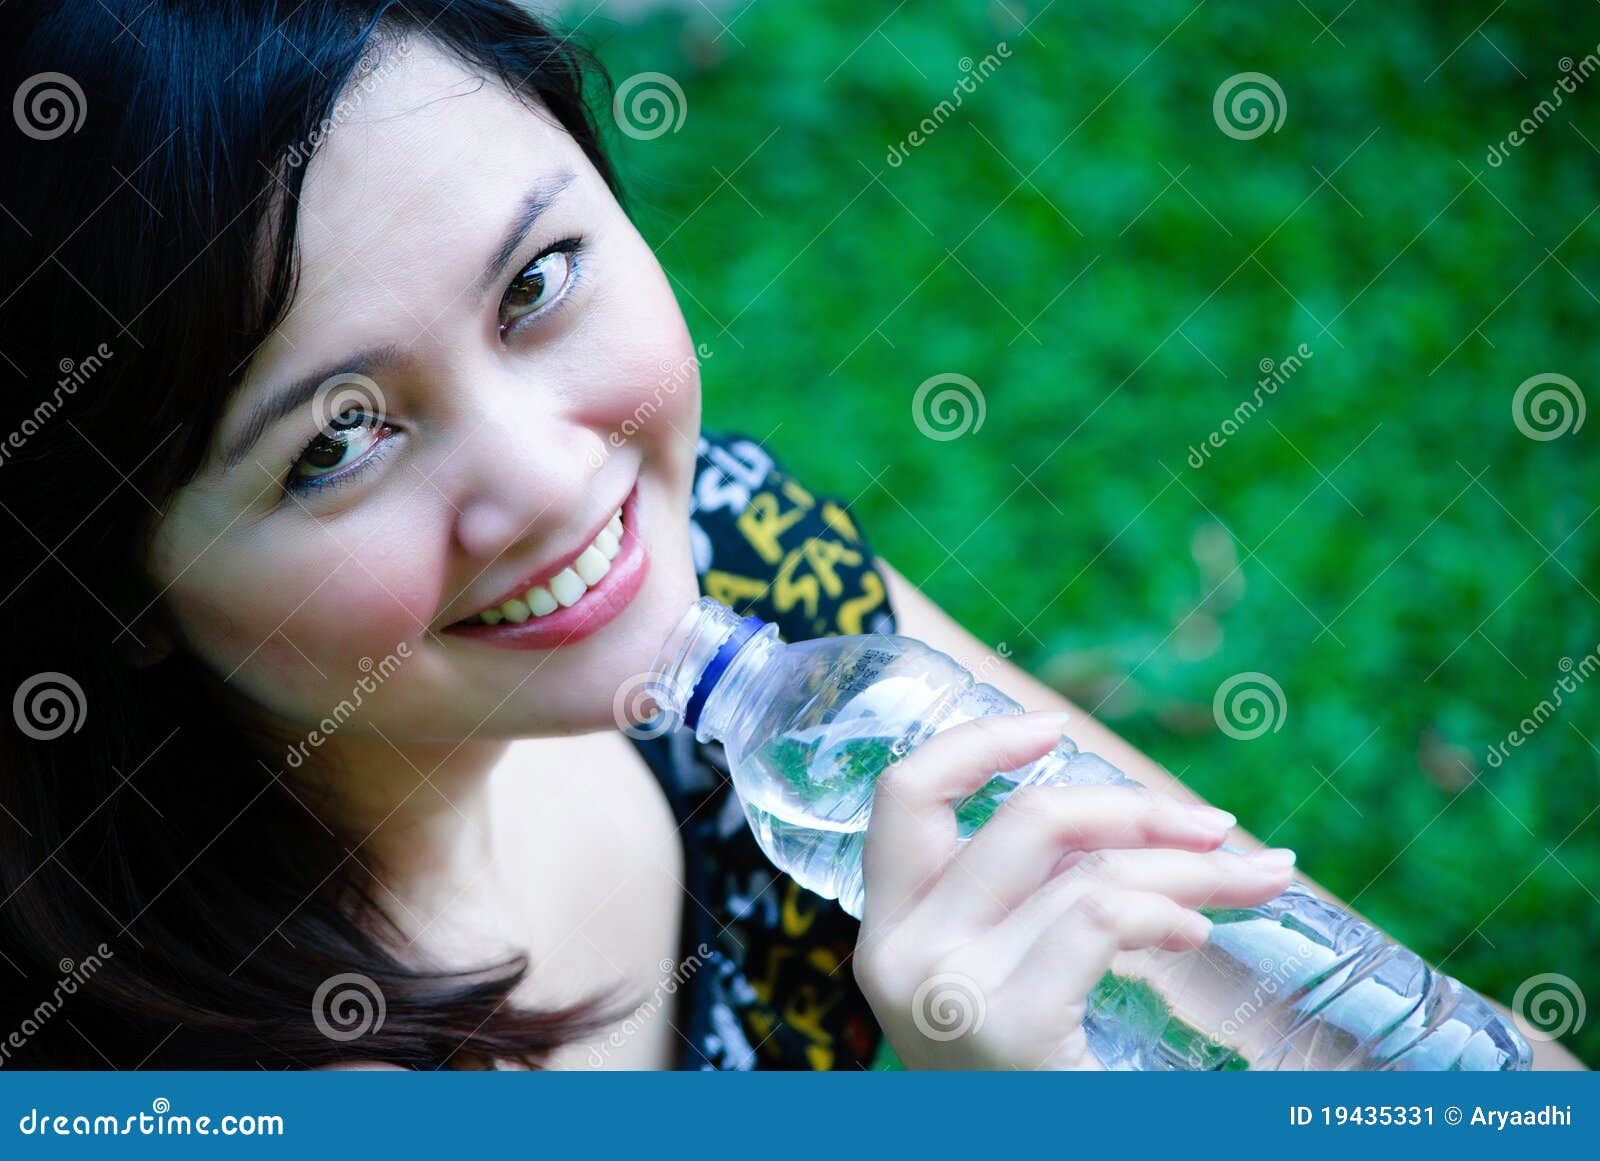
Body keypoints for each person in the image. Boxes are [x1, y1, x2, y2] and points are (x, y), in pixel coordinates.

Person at [0, 0, 1576, 1070]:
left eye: (536, 284)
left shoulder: (751, 574)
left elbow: (1421, 1058)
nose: (553, 485)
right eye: (339, 440)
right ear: (109, 572)